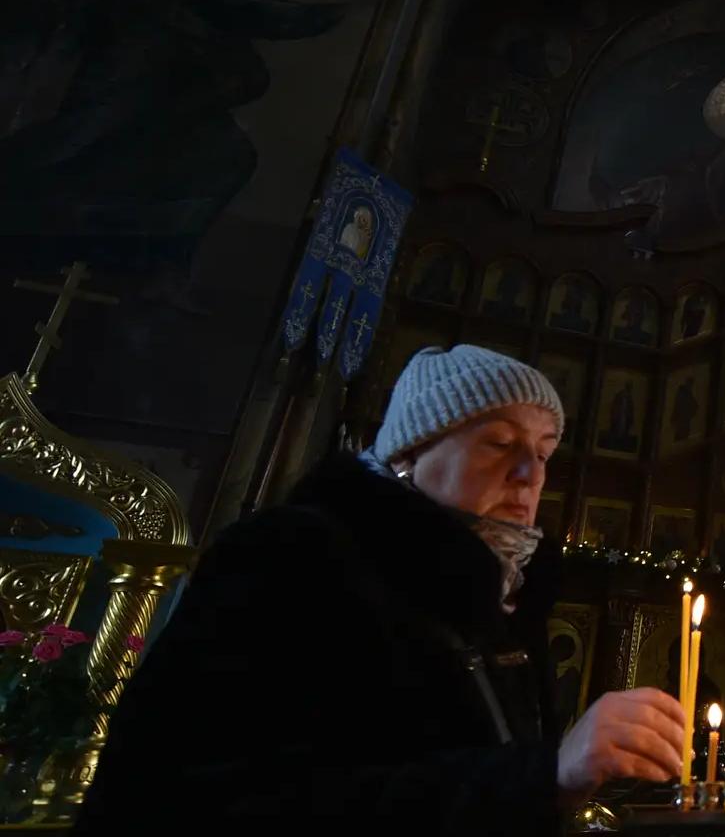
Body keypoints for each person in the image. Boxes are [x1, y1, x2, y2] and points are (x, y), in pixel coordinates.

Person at [79, 346, 687, 834]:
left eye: (545, 451)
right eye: (500, 442)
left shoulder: (501, 591)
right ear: (409, 452)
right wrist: (542, 775)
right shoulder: (289, 560)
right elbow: (209, 798)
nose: (530, 473)